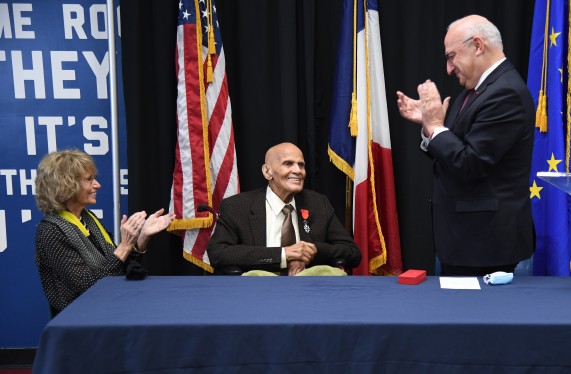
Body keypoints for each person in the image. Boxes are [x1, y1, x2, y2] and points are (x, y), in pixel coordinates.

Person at [396, 15, 535, 276]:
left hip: (488, 250)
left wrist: (436, 126)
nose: (448, 69)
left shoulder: (506, 94)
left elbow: (470, 163)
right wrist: (430, 126)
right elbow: (453, 148)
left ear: (478, 45)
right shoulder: (474, 91)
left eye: (451, 56)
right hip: (464, 245)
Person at [34, 149, 175, 315]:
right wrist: (125, 245)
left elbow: (116, 267)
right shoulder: (50, 231)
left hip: (108, 308)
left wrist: (140, 239)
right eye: (89, 180)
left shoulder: (87, 218)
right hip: (78, 321)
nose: (97, 185)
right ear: (66, 186)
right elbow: (88, 286)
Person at [206, 142, 361, 275]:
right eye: (288, 164)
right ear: (267, 172)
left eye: (301, 165)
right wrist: (282, 255)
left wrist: (311, 251)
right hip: (256, 292)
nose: (298, 171)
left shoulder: (318, 203)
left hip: (309, 292)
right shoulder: (237, 206)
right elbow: (218, 253)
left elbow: (352, 252)